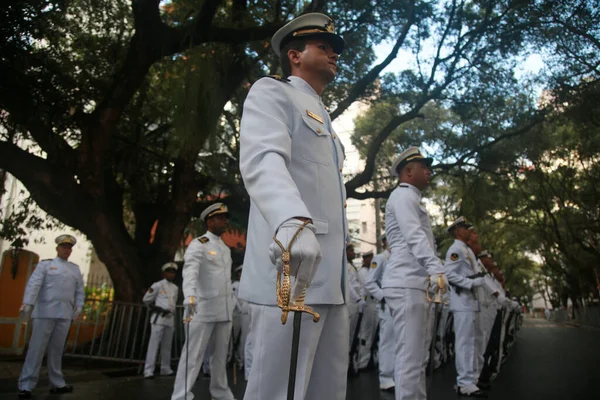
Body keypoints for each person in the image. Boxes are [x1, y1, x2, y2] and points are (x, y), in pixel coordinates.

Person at [238, 12, 348, 400]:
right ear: (294, 55)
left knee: (327, 390)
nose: (334, 53)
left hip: (330, 280)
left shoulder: (327, 121)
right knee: (277, 392)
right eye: (324, 46)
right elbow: (263, 159)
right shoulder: (273, 92)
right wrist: (292, 222)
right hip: (291, 271)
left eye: (335, 48)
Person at [381, 147, 448, 400]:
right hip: (406, 282)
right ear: (408, 172)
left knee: (418, 356)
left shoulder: (409, 197)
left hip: (413, 283)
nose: (429, 171)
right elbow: (413, 235)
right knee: (410, 357)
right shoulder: (403, 196)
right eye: (424, 167)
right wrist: (435, 267)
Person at [171, 202, 235, 400]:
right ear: (209, 221)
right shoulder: (199, 244)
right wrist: (190, 294)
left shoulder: (225, 248)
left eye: (225, 218)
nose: (224, 221)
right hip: (203, 308)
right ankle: (180, 396)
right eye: (220, 218)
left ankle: (221, 393)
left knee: (220, 357)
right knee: (193, 355)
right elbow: (190, 270)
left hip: (224, 310)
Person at [17, 234, 85, 399]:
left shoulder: (75, 269)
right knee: (37, 348)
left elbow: (79, 290)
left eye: (69, 248)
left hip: (64, 313)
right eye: (64, 247)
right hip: (45, 311)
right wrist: (28, 303)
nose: (66, 250)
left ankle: (57, 383)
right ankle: (26, 385)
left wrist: (79, 306)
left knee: (57, 350)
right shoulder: (45, 265)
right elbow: (34, 284)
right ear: (57, 248)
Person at [444, 217, 487, 397]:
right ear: (457, 231)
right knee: (464, 343)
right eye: (465, 228)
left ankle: (472, 379)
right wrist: (470, 283)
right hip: (462, 302)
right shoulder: (455, 250)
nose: (469, 230)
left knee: (473, 343)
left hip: (471, 303)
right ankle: (464, 382)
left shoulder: (466, 250)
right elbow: (449, 275)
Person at [364, 234, 395, 392]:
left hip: (398, 304)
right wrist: (383, 296)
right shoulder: (380, 259)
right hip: (386, 305)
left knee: (398, 341)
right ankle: (386, 377)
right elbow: (370, 282)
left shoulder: (397, 258)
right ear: (385, 242)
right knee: (387, 341)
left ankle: (396, 375)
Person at [142, 262, 179, 379]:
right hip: (159, 318)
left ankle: (165, 368)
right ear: (164, 273)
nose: (171, 274)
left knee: (167, 345)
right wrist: (155, 308)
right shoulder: (157, 285)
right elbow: (146, 299)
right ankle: (148, 370)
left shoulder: (175, 288)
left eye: (173, 272)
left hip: (170, 319)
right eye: (169, 272)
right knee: (154, 344)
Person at [355, 250, 379, 370]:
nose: (370, 260)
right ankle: (362, 361)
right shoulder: (363, 272)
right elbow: (369, 287)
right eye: (368, 258)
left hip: (374, 303)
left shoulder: (371, 271)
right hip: (367, 303)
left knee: (373, 332)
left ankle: (369, 358)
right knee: (365, 333)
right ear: (365, 259)